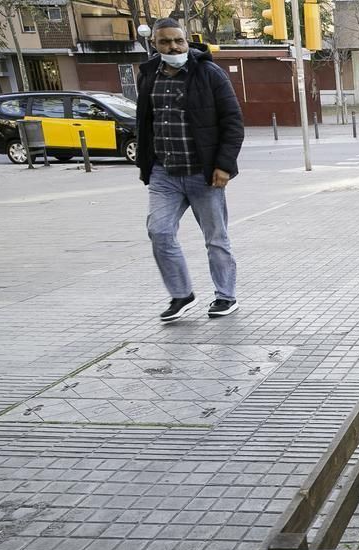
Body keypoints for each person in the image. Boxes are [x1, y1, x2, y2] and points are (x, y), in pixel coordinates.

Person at [136, 18, 244, 322]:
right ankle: (181, 295)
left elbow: (233, 122)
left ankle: (226, 296)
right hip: (164, 174)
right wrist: (145, 164)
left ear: (187, 40)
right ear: (154, 44)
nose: (173, 47)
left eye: (178, 41)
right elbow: (144, 124)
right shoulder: (148, 76)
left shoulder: (209, 73)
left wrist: (224, 166)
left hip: (204, 174)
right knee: (158, 231)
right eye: (165, 42)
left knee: (215, 237)